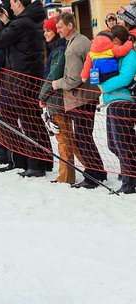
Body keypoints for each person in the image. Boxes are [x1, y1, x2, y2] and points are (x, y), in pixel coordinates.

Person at [0, 0, 52, 177]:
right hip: (30, 75)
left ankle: (36, 165)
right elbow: (15, 36)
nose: (10, 6)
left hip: (21, 78)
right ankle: (44, 162)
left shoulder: (23, 22)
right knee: (34, 120)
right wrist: (6, 21)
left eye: (11, 3)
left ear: (18, 2)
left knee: (29, 122)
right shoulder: (31, 18)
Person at [52, 12, 107, 188]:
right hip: (88, 96)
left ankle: (92, 176)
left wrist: (56, 84)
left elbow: (73, 80)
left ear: (70, 26)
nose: (58, 30)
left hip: (80, 98)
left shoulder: (74, 47)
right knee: (85, 136)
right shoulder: (82, 39)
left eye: (60, 27)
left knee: (83, 137)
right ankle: (99, 172)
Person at [39, 16, 81, 184]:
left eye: (48, 30)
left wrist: (42, 95)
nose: (45, 33)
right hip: (56, 99)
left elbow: (53, 75)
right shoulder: (54, 49)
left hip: (57, 100)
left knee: (63, 139)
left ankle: (66, 176)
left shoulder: (58, 51)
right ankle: (89, 168)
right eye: (44, 30)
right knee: (65, 138)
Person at [98, 25, 136, 194]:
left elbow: (125, 77)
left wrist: (104, 87)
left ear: (116, 40)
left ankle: (129, 183)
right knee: (113, 144)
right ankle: (130, 173)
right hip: (111, 102)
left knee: (123, 144)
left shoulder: (130, 55)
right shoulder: (110, 55)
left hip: (123, 102)